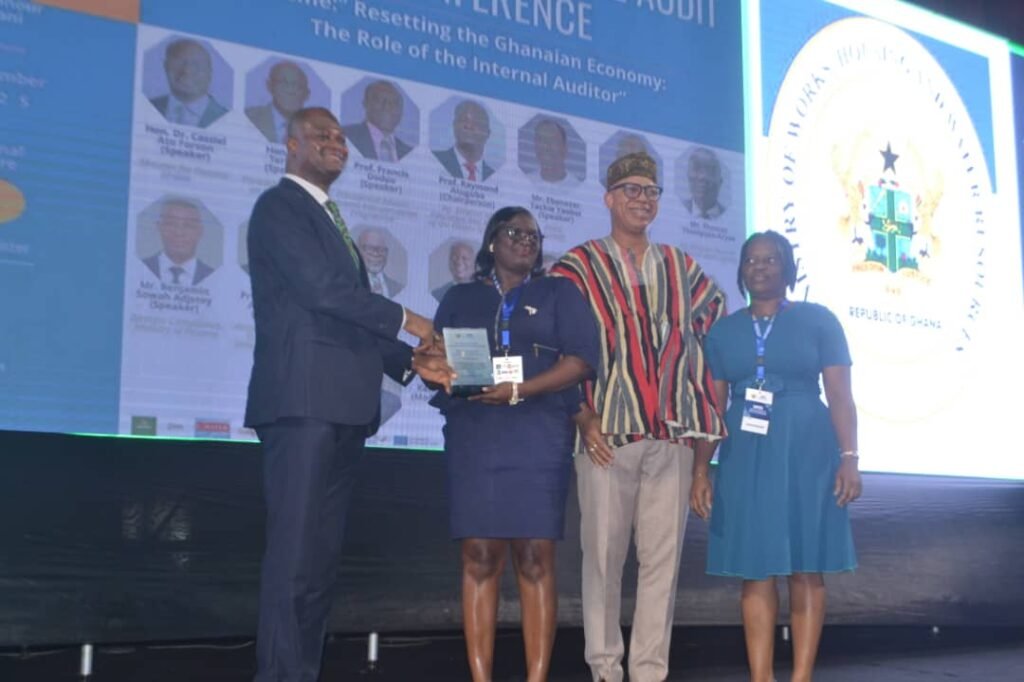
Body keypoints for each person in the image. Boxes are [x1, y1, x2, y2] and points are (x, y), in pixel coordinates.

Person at [244, 106, 452, 682]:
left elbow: (350, 322)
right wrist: (412, 321)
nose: (336, 142)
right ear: (290, 146)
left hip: (343, 410)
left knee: (317, 565)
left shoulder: (330, 219)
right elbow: (321, 292)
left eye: (340, 136)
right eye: (322, 135)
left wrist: (417, 363)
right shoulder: (279, 207)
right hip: (304, 404)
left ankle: (300, 672)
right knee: (293, 561)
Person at [550, 152, 726, 682]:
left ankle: (650, 671)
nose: (641, 199)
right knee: (602, 558)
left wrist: (702, 444)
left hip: (670, 436)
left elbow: (715, 338)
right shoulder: (576, 267)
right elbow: (556, 348)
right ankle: (605, 668)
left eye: (650, 191)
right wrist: (582, 416)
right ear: (608, 198)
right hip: (606, 433)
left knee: (662, 564)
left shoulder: (682, 266)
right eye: (630, 189)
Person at [430, 206, 599, 682]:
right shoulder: (461, 297)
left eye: (534, 235)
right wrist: (434, 365)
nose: (526, 240)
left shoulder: (558, 292)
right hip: (476, 433)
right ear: (491, 241)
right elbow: (437, 355)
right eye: (514, 232)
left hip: (538, 432)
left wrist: (521, 389)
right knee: (479, 553)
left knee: (534, 555)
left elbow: (584, 359)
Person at [690, 230, 860, 682]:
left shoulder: (819, 320)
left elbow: (841, 396)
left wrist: (850, 457)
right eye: (751, 260)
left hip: (808, 450)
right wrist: (702, 469)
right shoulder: (724, 331)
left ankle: (800, 676)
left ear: (787, 268)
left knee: (805, 566)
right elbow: (714, 408)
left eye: (770, 260)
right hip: (746, 453)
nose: (760, 267)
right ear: (741, 269)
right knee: (756, 568)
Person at [149, 38, 228, 128]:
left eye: (196, 64)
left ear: (210, 73)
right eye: (179, 62)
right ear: (165, 66)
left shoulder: (227, 119)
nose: (187, 71)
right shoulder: (147, 108)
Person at [142, 197, 215, 286]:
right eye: (171, 223)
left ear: (200, 231)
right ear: (159, 227)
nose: (179, 232)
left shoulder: (214, 276)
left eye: (188, 225)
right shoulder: (139, 268)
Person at [342, 80, 413, 162]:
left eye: (394, 103)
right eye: (381, 100)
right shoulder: (346, 136)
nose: (388, 107)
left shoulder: (409, 153)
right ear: (366, 104)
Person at [245, 61, 311, 143]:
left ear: (307, 93)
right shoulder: (249, 117)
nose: (290, 90)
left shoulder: (316, 130)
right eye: (284, 83)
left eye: (297, 85)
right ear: (269, 86)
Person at [433, 99, 495, 182]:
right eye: (463, 120)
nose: (468, 126)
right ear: (454, 126)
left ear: (487, 134)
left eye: (476, 122)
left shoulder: (495, 175)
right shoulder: (434, 160)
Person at [356, 227, 403, 298]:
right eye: (369, 248)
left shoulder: (399, 288)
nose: (376, 254)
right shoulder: (348, 283)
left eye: (381, 250)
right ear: (358, 250)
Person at [684, 147, 726, 219]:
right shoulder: (680, 208)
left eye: (710, 171)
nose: (702, 177)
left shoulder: (728, 215)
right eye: (696, 169)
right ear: (688, 177)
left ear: (720, 182)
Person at [532, 118, 571, 184]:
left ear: (565, 149)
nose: (545, 146)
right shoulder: (525, 180)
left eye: (551, 140)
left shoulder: (577, 186)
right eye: (540, 140)